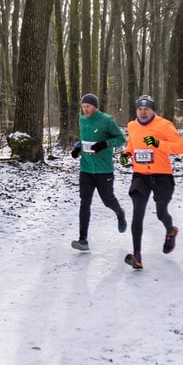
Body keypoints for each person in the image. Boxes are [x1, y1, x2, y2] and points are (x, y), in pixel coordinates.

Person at [119, 95, 183, 270]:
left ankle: (171, 230)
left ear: (153, 110)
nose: (143, 113)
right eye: (140, 110)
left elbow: (181, 147)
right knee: (137, 213)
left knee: (161, 213)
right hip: (140, 175)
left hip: (162, 176)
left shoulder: (164, 125)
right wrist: (126, 155)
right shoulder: (132, 125)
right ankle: (137, 255)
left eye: (146, 109)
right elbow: (131, 145)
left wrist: (158, 144)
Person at [70, 93, 128, 251]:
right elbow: (84, 139)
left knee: (108, 201)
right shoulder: (82, 120)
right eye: (83, 106)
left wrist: (106, 143)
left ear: (95, 106)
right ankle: (83, 240)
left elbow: (121, 139)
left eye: (88, 106)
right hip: (86, 169)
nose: (85, 109)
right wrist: (77, 148)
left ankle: (120, 213)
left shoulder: (107, 121)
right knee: (84, 203)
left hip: (104, 170)